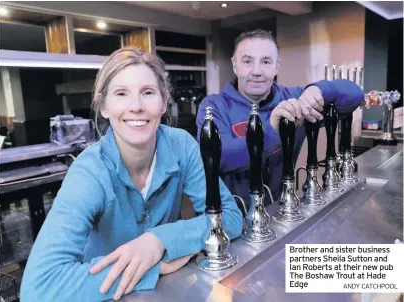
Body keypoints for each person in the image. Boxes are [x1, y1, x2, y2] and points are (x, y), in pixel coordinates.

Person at [20, 48, 242, 302]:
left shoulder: (181, 146)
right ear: (103, 106)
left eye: (147, 93)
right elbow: (38, 288)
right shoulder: (90, 171)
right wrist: (149, 267)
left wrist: (160, 240)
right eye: (121, 94)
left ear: (163, 101)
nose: (136, 107)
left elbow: (231, 217)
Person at [196, 29, 364, 212]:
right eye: (247, 61)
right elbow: (219, 158)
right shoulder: (213, 106)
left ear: (277, 66)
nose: (256, 71)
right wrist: (272, 131)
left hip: (281, 210)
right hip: (230, 217)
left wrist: (318, 90)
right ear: (235, 65)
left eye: (266, 62)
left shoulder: (295, 99)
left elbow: (354, 95)